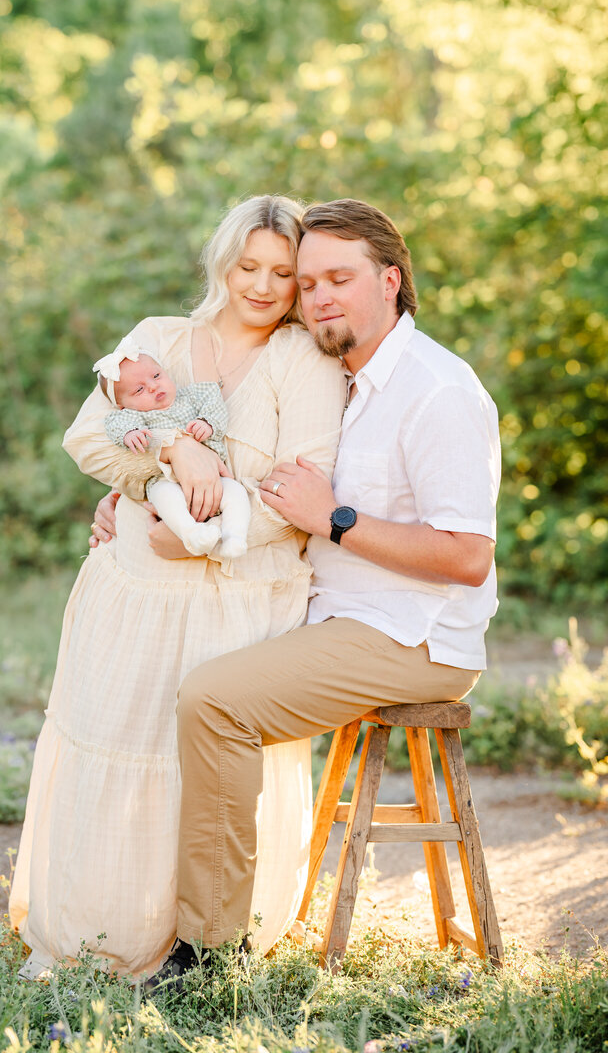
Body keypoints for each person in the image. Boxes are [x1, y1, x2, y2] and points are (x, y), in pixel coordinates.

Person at [137, 197, 501, 990]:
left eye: (340, 278)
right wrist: (137, 490)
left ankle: (209, 955)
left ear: (391, 282)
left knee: (215, 700)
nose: (319, 297)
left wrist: (333, 519)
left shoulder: (436, 390)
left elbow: (469, 556)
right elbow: (230, 452)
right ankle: (140, 902)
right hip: (331, 612)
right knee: (176, 663)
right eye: (308, 284)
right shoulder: (335, 372)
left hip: (410, 635)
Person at [8, 195, 344, 979]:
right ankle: (96, 931)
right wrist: (170, 457)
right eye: (248, 265)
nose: (261, 286)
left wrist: (207, 536)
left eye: (282, 273)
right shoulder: (158, 340)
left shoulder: (307, 361)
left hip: (238, 592)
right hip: (128, 587)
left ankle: (192, 939)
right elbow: (88, 436)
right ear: (221, 261)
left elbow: (305, 485)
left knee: (193, 766)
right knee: (111, 747)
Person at [94, 340, 251, 558]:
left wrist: (207, 422)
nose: (152, 386)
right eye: (139, 389)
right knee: (163, 496)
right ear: (122, 405)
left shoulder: (192, 396)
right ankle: (192, 533)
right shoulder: (133, 415)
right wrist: (130, 434)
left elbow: (214, 402)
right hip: (166, 480)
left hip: (213, 477)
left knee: (236, 492)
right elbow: (115, 424)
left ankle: (234, 538)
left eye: (156, 376)